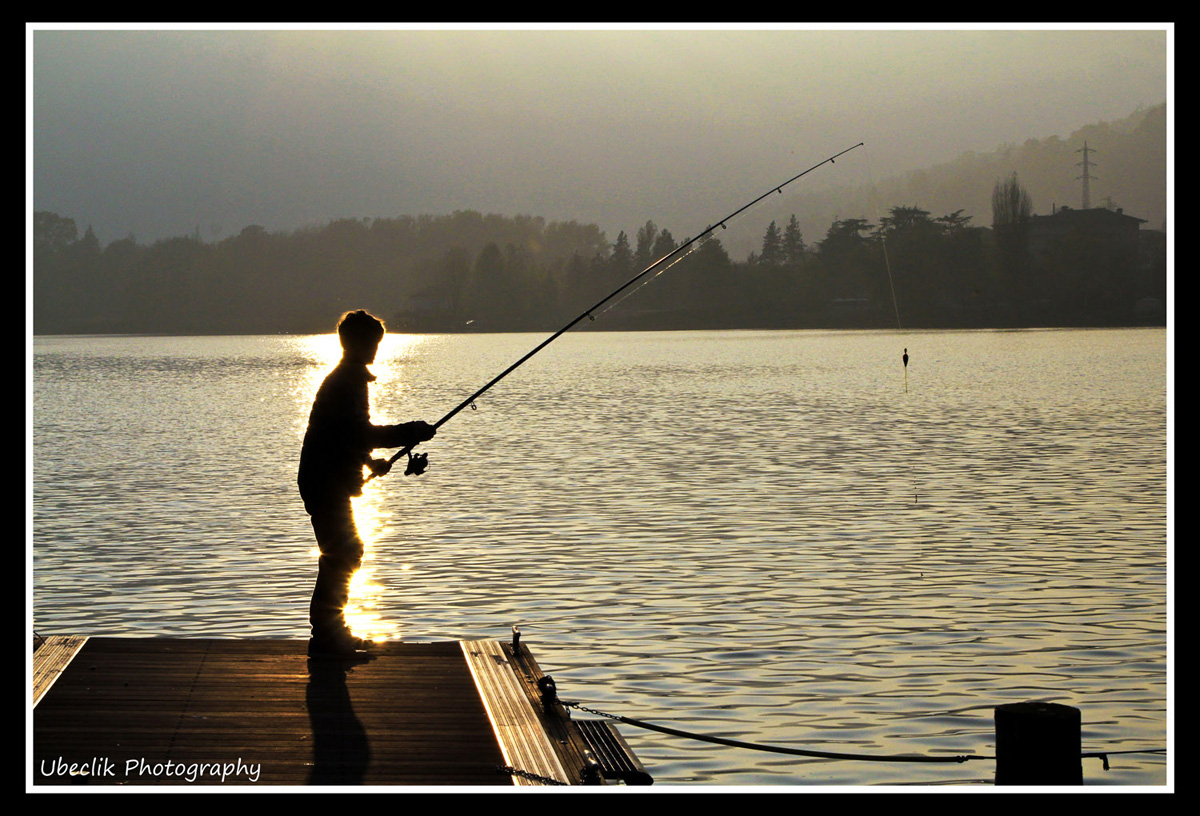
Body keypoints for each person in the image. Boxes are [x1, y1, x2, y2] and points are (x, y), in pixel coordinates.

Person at [298, 310, 435, 658]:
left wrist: (368, 460)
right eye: (373, 343)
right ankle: (327, 637)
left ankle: (332, 633)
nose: (376, 350)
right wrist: (410, 432)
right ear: (357, 343)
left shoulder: (350, 378)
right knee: (343, 553)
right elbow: (358, 432)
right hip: (323, 481)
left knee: (344, 552)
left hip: (327, 479)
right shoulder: (348, 381)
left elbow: (346, 434)